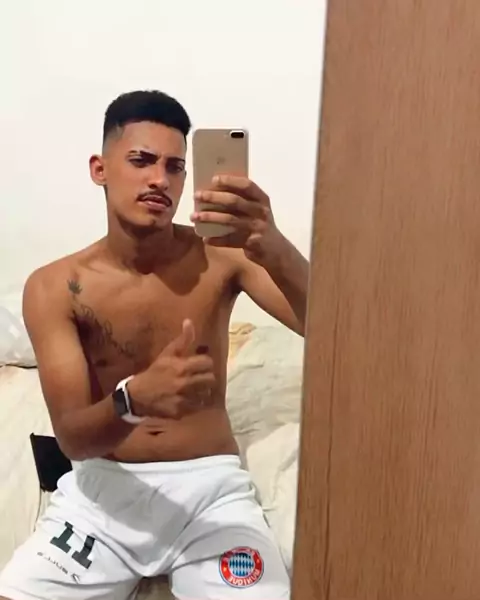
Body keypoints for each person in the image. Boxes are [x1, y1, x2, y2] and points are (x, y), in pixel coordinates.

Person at [0, 90, 309, 600]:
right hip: (103, 496)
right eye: (141, 160)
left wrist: (274, 245)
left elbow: (330, 329)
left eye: (175, 166)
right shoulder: (56, 287)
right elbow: (73, 439)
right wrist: (133, 400)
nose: (160, 179)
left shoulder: (224, 256)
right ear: (100, 169)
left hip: (212, 493)